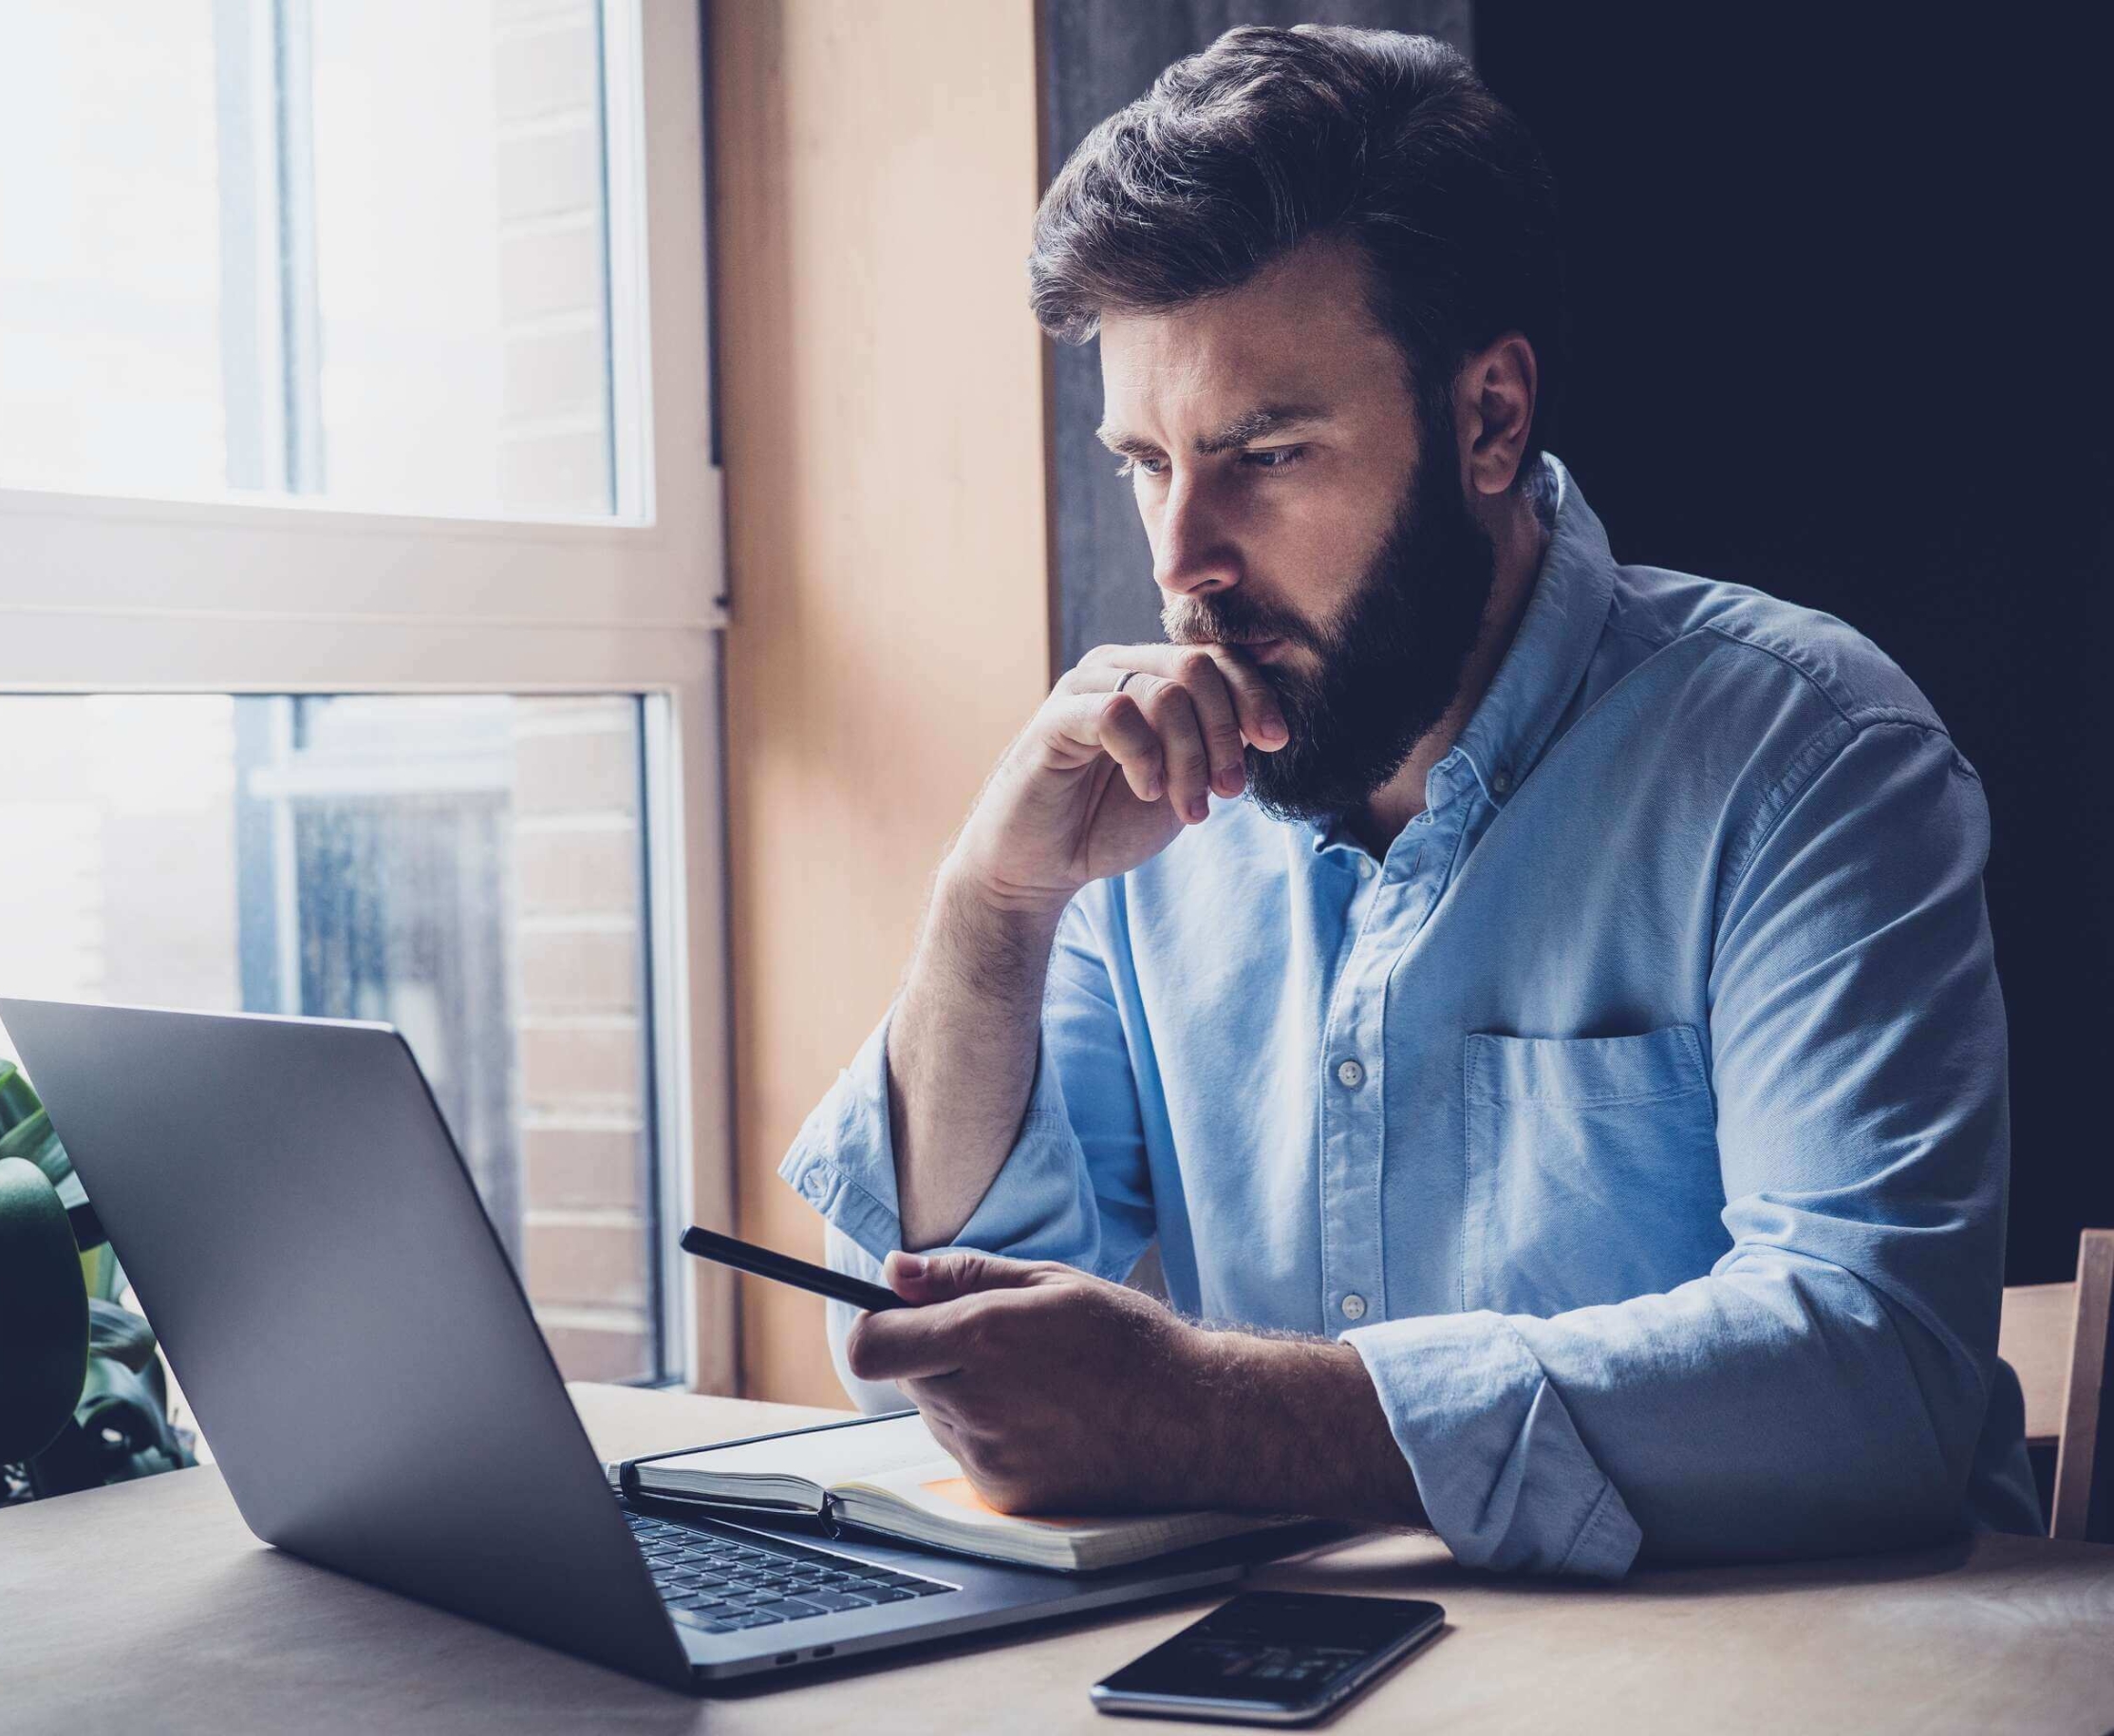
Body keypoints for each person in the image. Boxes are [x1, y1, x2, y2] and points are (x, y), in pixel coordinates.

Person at [775, 23, 2042, 1577]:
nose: (1180, 559)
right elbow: (939, 1348)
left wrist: (1209, 1414)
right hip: (1315, 1668)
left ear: (1489, 418)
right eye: (1144, 463)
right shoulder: (1150, 802)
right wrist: (995, 904)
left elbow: (1875, 1378)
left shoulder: (1811, 757)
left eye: (1264, 453)